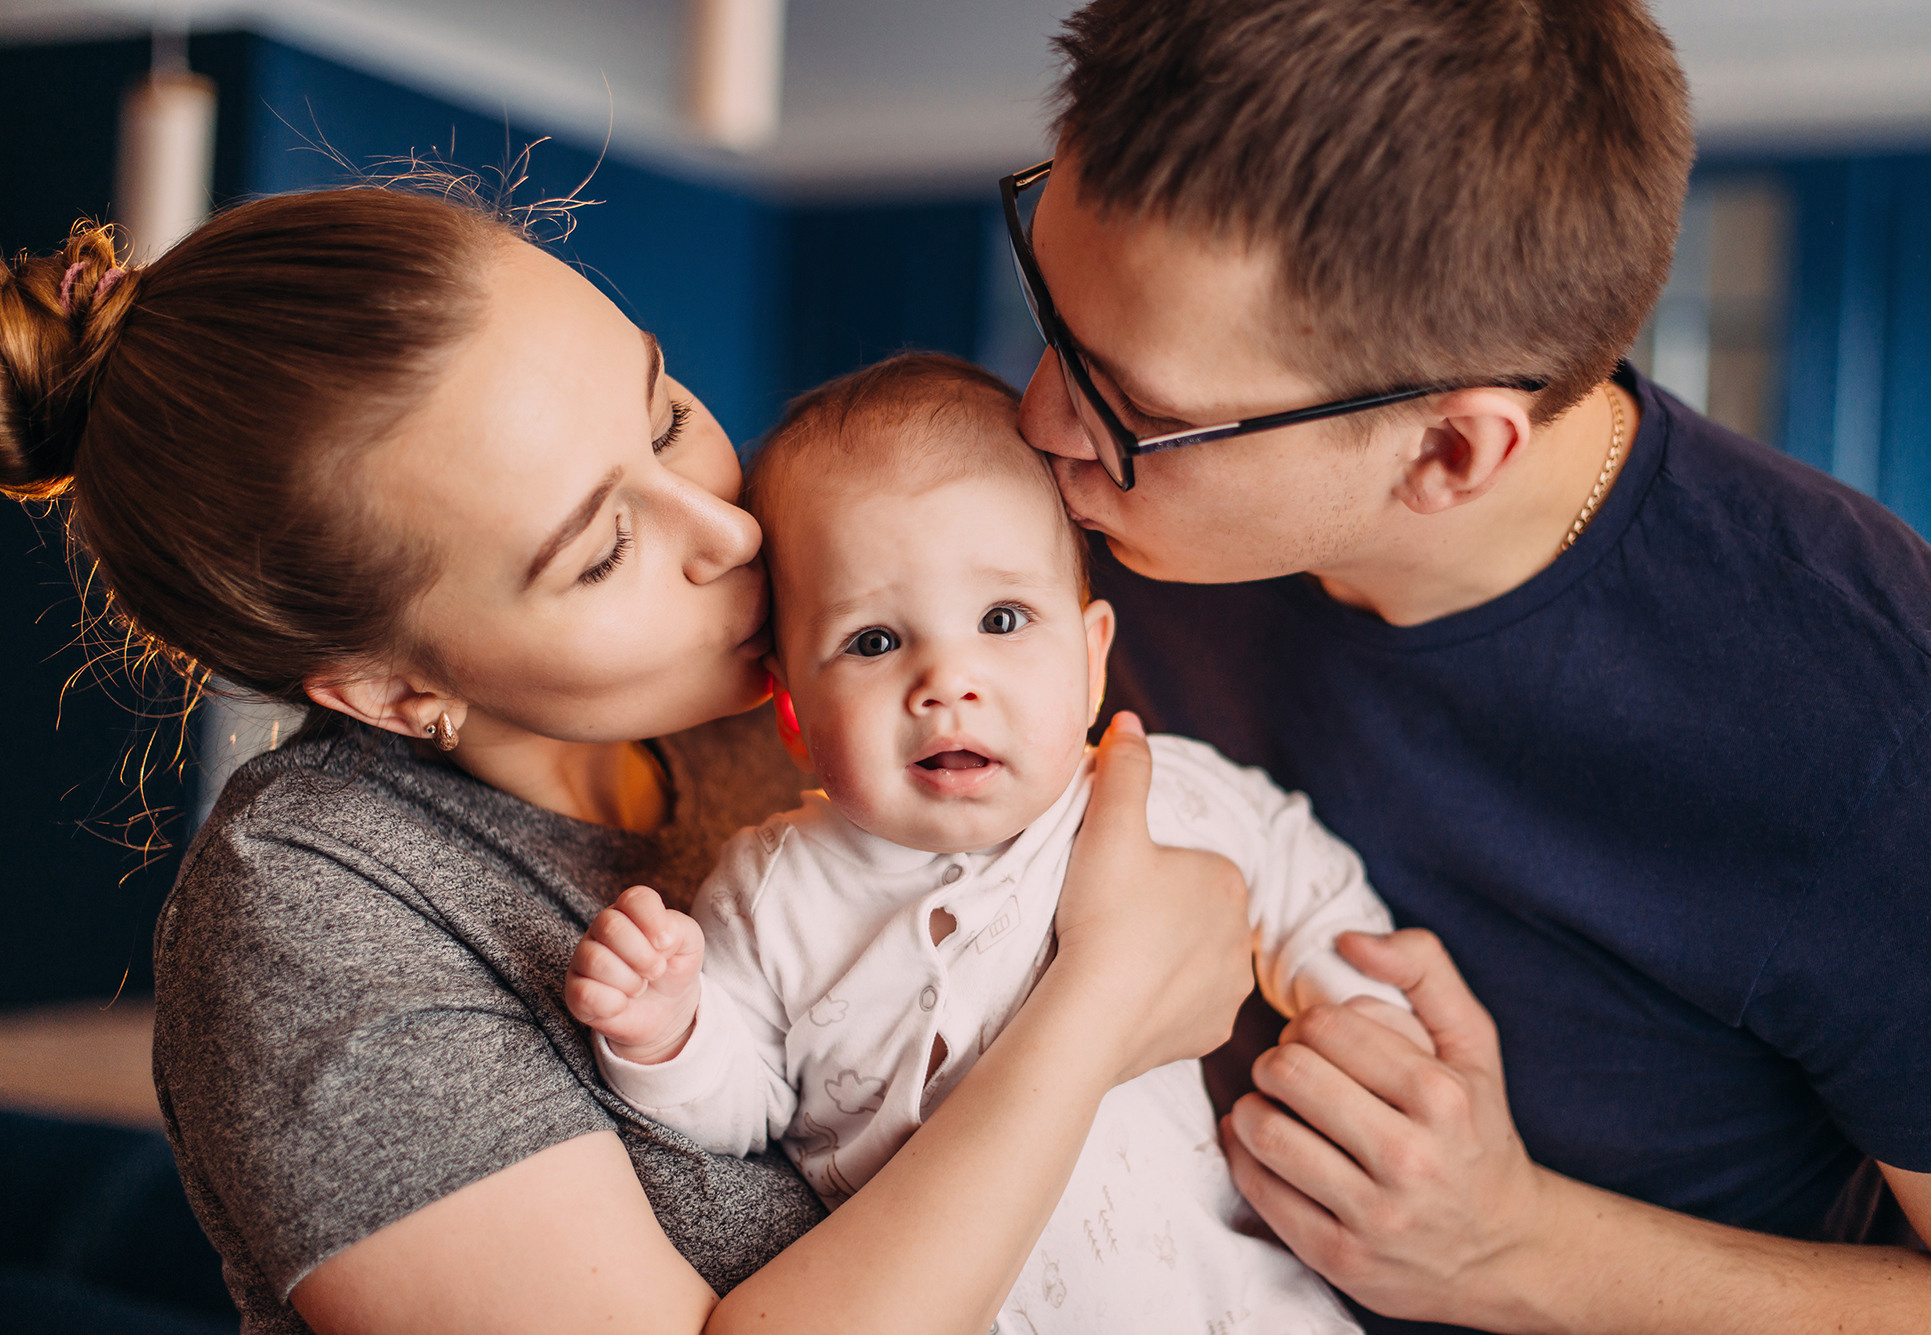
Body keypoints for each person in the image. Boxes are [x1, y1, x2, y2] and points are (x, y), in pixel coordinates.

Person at [0, 192, 1256, 1335]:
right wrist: (1099, 1003)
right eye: (602, 553)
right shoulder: (312, 908)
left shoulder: (811, 679)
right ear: (396, 690)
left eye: (663, 414)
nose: (729, 526)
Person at [1005, 1, 1931, 1332]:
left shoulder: (1891, 732)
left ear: (1449, 454)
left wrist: (1516, 1247)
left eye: (1140, 409)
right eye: (1047, 301)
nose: (1033, 416)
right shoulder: (1079, 502)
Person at [565, 353, 1426, 1335]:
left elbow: (1297, 870)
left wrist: (1359, 1010)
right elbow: (739, 1108)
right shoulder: (771, 889)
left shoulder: (1141, 799)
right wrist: (667, 1030)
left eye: (1002, 619)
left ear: (1093, 657)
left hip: (1226, 1306)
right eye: (875, 641)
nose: (947, 682)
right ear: (793, 711)